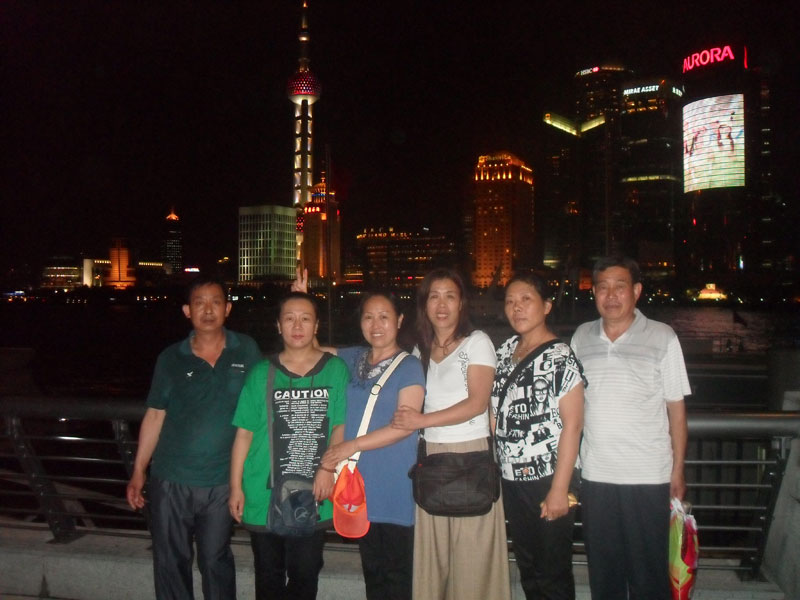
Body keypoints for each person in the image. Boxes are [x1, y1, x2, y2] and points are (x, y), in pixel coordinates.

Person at [292, 268, 426, 600]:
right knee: (373, 573)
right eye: (368, 317)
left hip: (393, 484)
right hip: (357, 486)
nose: (376, 324)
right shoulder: (353, 358)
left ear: (399, 321)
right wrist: (303, 300)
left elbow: (403, 426)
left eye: (384, 317)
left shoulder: (410, 366)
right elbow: (311, 349)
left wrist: (348, 446)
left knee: (397, 575)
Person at [126, 275, 262, 600]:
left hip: (222, 480)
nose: (208, 310)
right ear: (187, 311)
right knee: (171, 561)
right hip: (172, 479)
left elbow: (273, 389)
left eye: (216, 302)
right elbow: (155, 415)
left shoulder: (247, 349)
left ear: (227, 309)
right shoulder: (171, 358)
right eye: (200, 303)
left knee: (216, 560)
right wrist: (138, 470)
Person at [570, 256, 690, 600]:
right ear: (593, 292)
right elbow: (571, 406)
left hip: (648, 476)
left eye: (619, 287)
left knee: (648, 574)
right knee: (603, 573)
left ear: (636, 291)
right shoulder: (581, 336)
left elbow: (676, 410)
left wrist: (678, 469)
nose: (611, 295)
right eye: (602, 287)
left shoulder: (663, 336)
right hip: (596, 474)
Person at [392, 268, 511, 600]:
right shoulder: (419, 351)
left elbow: (476, 403)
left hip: (470, 454)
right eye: (434, 297)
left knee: (474, 560)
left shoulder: (477, 342)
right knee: (434, 560)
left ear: (462, 303)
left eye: (450, 296)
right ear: (424, 305)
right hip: (431, 458)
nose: (441, 305)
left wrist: (421, 420)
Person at [229, 291, 349, 600]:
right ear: (278, 325)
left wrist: (328, 468)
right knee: (268, 575)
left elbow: (340, 425)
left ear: (316, 326)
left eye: (305, 318)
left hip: (315, 491)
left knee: (305, 574)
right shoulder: (261, 373)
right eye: (289, 318)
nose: (297, 326)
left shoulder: (335, 370)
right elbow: (244, 434)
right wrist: (236, 487)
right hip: (263, 492)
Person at [491, 272, 585, 600]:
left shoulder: (560, 357)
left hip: (548, 479)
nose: (516, 308)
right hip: (511, 478)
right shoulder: (505, 350)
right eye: (510, 302)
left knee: (552, 571)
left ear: (546, 306)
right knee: (528, 566)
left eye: (526, 300)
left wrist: (560, 489)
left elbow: (573, 425)